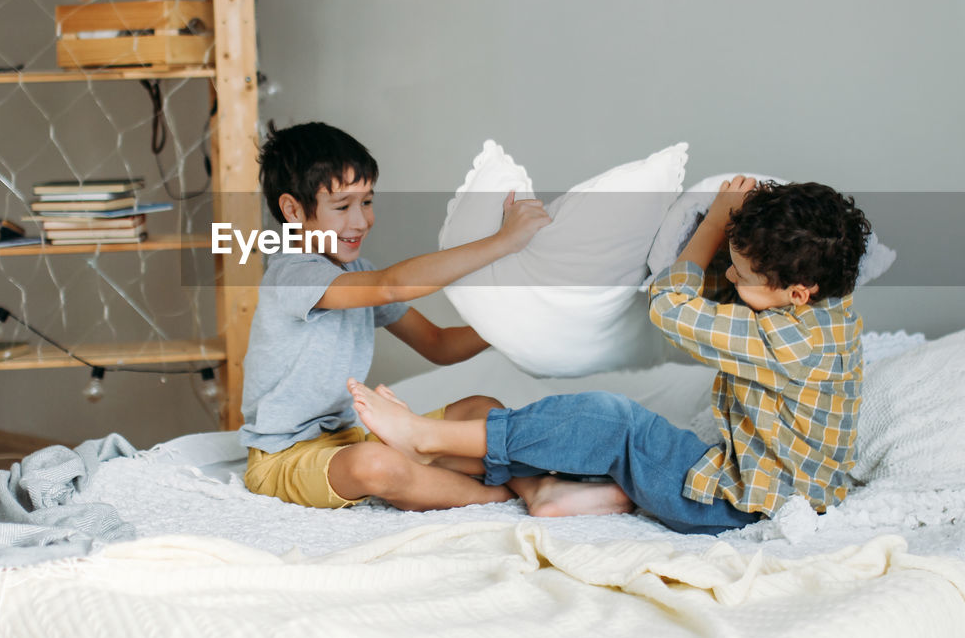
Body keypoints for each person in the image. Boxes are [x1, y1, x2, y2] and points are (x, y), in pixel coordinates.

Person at [350, 176, 871, 535]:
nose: (731, 279)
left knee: (613, 422)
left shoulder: (782, 342)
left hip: (739, 503)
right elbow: (747, 285)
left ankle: (427, 436)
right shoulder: (830, 309)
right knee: (625, 450)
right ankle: (569, 495)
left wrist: (714, 223)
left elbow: (670, 306)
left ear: (797, 291)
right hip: (770, 494)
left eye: (743, 276)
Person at [239, 121, 552, 511]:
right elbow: (390, 285)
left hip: (350, 437)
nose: (360, 221)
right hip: (284, 459)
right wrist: (502, 243)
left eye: (366, 202)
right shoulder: (292, 274)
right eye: (342, 207)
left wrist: (519, 320)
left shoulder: (355, 274)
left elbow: (439, 345)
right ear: (292, 209)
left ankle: (536, 487)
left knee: (481, 410)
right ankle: (501, 496)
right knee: (376, 465)